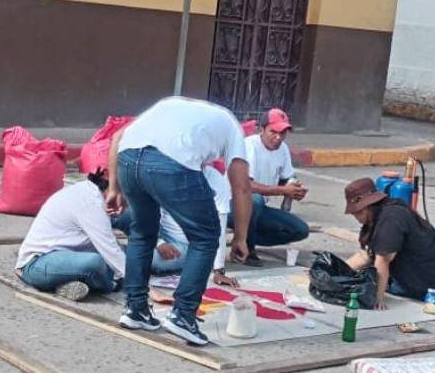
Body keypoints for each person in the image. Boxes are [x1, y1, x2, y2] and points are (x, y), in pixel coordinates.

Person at [107, 97, 253, 346]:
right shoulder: (231, 127)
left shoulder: (170, 105)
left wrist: (113, 187)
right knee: (206, 237)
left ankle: (135, 310)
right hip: (171, 164)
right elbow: (241, 188)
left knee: (142, 232)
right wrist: (240, 236)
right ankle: (183, 315)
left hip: (129, 160)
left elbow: (118, 137)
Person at [114, 165, 238, 287]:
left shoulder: (214, 179)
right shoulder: (165, 170)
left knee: (152, 259)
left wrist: (219, 270)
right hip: (158, 231)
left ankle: (115, 253)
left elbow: (220, 226)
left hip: (187, 244)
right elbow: (147, 208)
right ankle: (112, 249)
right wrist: (159, 242)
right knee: (126, 213)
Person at [342, 177, 435, 310]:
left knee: (368, 281)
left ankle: (432, 284)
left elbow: (382, 260)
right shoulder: (389, 207)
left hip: (426, 278)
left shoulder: (389, 221)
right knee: (366, 270)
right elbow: (366, 255)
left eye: (354, 213)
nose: (354, 217)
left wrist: (377, 298)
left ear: (364, 209)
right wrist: (338, 270)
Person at [16, 169, 125, 301]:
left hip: (68, 257)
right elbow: (110, 248)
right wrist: (142, 286)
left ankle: (69, 283)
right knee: (96, 263)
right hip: (36, 264)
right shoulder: (91, 202)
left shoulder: (92, 193)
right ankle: (109, 284)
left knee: (130, 255)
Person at [232, 108, 310, 266]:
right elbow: (247, 187)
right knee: (255, 200)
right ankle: (246, 247)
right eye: (273, 132)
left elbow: (287, 178)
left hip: (257, 210)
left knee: (300, 229)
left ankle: (247, 235)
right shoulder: (250, 146)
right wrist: (283, 190)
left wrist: (293, 190)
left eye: (282, 133)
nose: (278, 137)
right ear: (262, 130)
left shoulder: (283, 149)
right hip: (233, 206)